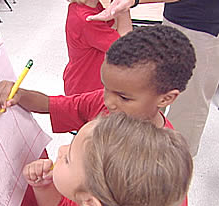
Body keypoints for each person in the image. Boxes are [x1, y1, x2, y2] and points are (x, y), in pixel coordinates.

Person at [0, 25, 196, 206]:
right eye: (106, 88)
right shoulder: (102, 104)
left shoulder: (163, 158)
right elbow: (52, 104)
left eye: (123, 97)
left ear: (166, 98)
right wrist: (20, 94)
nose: (109, 101)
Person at [88, 0, 219, 157]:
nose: (109, 102)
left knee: (189, 105)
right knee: (150, 92)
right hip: (177, 17)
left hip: (204, 26)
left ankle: (172, 165)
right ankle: (138, 153)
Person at [23, 113, 193, 206]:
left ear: (90, 203)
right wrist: (43, 187)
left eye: (68, 160)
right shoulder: (102, 205)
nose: (60, 150)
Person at [63, 0, 132, 95]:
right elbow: (125, 48)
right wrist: (123, 9)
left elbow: (113, 24)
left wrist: (118, 6)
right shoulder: (87, 19)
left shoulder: (83, 7)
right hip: (88, 89)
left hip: (80, 81)